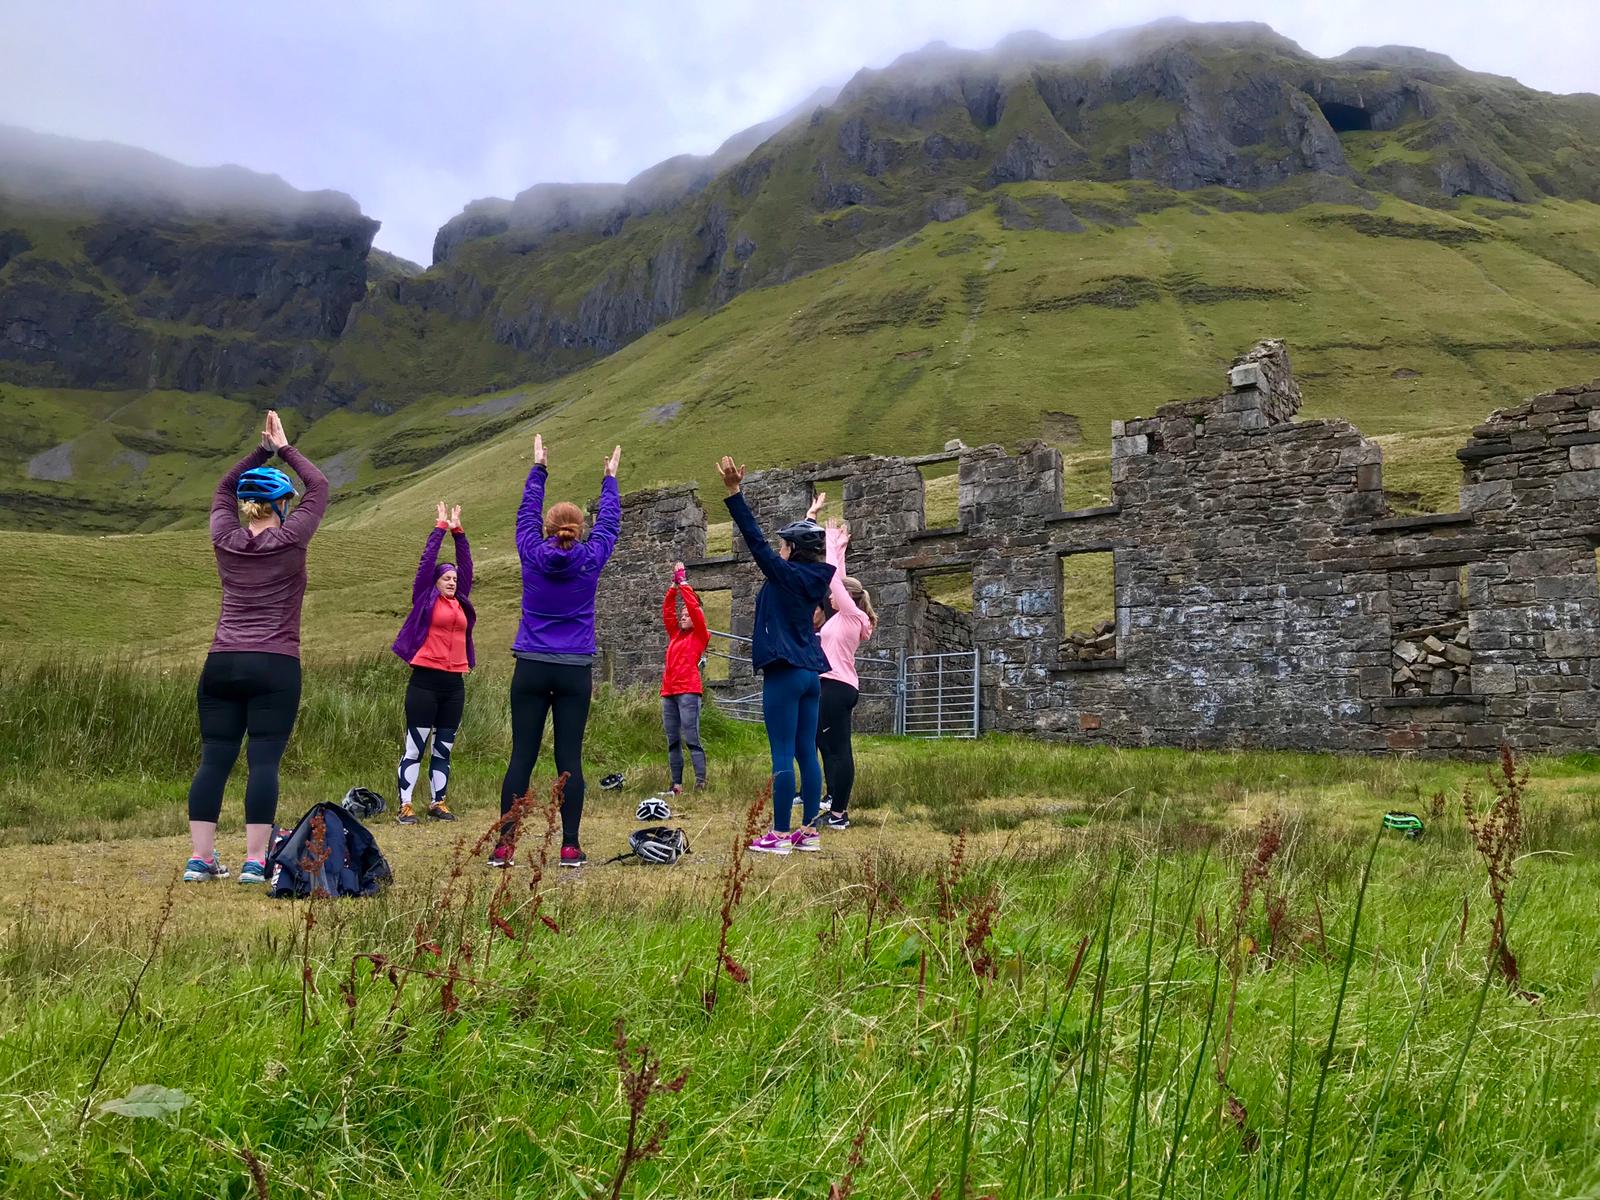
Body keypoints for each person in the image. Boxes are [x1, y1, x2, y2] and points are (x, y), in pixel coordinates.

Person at [184, 410, 328, 885]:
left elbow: (222, 489)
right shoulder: (291, 539)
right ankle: (253, 860)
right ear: (283, 505)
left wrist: (259, 452)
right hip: (275, 662)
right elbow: (320, 486)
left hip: (221, 661)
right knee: (263, 759)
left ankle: (200, 861)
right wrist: (284, 447)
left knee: (214, 757)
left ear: (245, 505)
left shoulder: (224, 539)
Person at [494, 434, 622, 868]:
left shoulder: (531, 552)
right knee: (569, 756)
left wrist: (539, 469)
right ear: (578, 530)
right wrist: (610, 481)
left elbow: (524, 514)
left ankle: (504, 846)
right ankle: (569, 846)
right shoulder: (591, 557)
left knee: (522, 756)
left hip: (531, 664)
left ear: (547, 530)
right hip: (574, 669)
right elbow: (610, 526)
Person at [716, 458, 834, 855]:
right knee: (806, 752)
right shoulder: (815, 576)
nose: (777, 549)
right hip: (810, 674)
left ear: (791, 552)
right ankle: (809, 832)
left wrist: (735, 494)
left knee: (782, 751)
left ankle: (780, 834)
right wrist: (811, 516)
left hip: (783, 672)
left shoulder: (783, 573)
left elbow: (755, 541)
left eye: (784, 545)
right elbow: (803, 552)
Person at [391, 502, 475, 825]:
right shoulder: (425, 597)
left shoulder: (461, 601)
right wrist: (440, 529)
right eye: (447, 578)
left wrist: (460, 532)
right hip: (424, 681)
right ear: (436, 582)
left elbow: (467, 567)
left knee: (444, 748)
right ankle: (406, 805)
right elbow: (427, 564)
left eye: (454, 578)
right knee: (415, 746)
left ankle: (438, 803)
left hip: (454, 684)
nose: (453, 581)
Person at [817, 518, 877, 830]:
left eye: (835, 595)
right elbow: (838, 577)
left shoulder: (851, 615)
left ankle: (839, 814)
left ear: (847, 598)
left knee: (840, 749)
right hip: (831, 686)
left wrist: (829, 539)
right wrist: (840, 546)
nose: (828, 598)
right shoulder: (846, 616)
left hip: (836, 687)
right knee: (825, 744)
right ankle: (832, 801)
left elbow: (834, 581)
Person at [661, 562, 710, 793]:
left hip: (688, 691)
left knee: (691, 737)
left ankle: (700, 782)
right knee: (673, 740)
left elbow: (694, 607)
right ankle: (677, 784)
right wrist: (673, 587)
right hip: (668, 691)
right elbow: (667, 610)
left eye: (686, 615)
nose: (682, 617)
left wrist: (684, 583)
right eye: (681, 615)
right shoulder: (675, 634)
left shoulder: (700, 634)